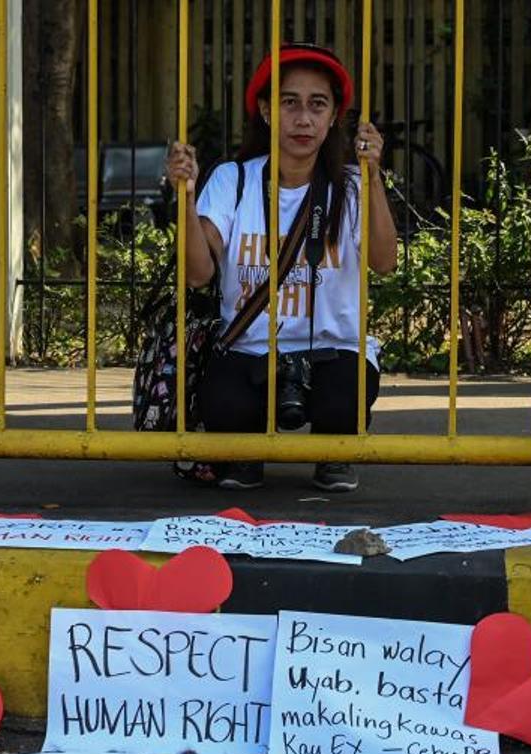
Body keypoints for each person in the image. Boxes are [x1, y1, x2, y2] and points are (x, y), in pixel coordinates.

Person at [164, 43, 398, 492]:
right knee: (226, 403)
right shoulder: (234, 180)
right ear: (267, 112)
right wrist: (187, 200)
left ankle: (334, 454)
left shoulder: (350, 185)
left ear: (334, 118)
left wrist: (373, 178)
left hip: (334, 350)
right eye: (289, 103)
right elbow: (198, 273)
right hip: (252, 349)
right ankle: (244, 455)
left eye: (317, 105)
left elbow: (385, 263)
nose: (304, 119)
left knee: (343, 398)